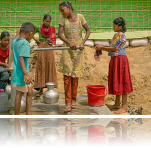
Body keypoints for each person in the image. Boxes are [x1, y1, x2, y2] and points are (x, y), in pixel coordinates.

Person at [96, 17, 133, 114]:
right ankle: (117, 104)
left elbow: (113, 48)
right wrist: (102, 47)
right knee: (119, 80)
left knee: (123, 81)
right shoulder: (117, 35)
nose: (113, 27)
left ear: (120, 27)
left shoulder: (120, 35)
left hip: (120, 60)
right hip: (116, 59)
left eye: (115, 26)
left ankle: (124, 106)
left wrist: (102, 48)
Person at [58, 1, 90, 112]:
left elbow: (88, 30)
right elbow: (60, 34)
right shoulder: (63, 19)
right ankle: (67, 102)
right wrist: (69, 43)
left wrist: (83, 42)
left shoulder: (80, 17)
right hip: (67, 50)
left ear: (69, 8)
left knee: (75, 77)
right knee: (67, 77)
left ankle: (74, 100)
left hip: (78, 51)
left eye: (63, 10)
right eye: (60, 11)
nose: (61, 13)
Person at [11, 22, 35, 115]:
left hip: (19, 73)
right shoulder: (25, 44)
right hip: (22, 74)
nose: (31, 38)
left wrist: (18, 35)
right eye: (32, 36)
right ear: (30, 33)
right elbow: (21, 58)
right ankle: (16, 115)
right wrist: (26, 74)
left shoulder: (15, 42)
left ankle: (28, 112)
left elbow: (14, 44)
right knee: (19, 94)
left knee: (29, 90)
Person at [33, 14, 58, 97]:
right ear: (43, 20)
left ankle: (49, 89)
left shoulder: (52, 29)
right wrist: (37, 40)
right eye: (46, 21)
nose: (47, 23)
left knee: (49, 66)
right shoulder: (39, 27)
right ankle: (40, 89)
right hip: (41, 48)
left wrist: (52, 38)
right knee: (41, 66)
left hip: (50, 48)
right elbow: (31, 33)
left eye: (49, 21)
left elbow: (58, 35)